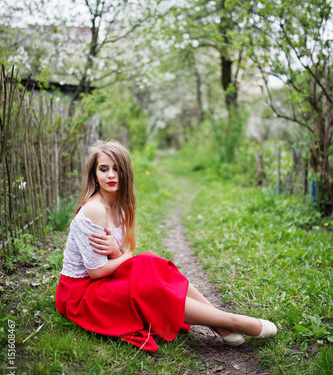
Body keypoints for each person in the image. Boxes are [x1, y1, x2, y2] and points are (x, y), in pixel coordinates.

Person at [55, 140, 277, 352]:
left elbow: (116, 256)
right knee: (149, 288)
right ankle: (233, 321)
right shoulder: (95, 209)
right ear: (94, 174)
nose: (111, 175)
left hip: (102, 281)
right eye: (103, 169)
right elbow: (95, 272)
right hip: (80, 295)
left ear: (126, 173)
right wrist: (124, 255)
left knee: (152, 263)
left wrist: (119, 253)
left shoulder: (119, 207)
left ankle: (220, 324)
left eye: (117, 168)